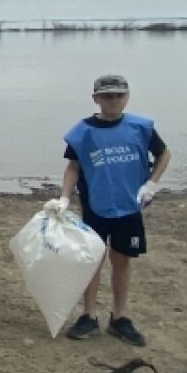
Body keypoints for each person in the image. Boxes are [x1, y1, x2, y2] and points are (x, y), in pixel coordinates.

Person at [50, 74, 171, 346]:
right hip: (96, 205)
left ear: (126, 97)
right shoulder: (83, 131)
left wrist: (152, 183)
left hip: (129, 206)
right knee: (93, 259)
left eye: (118, 95)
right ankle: (88, 315)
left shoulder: (141, 127)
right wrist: (65, 198)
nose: (113, 101)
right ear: (96, 99)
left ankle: (119, 317)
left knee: (122, 260)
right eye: (107, 96)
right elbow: (73, 166)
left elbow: (164, 154)